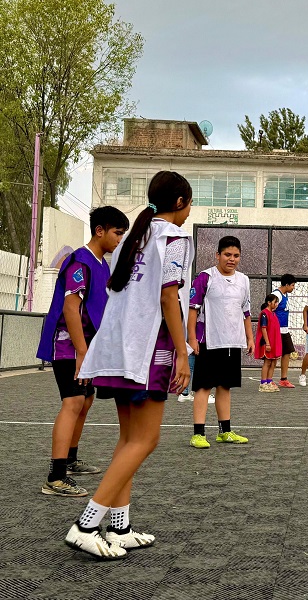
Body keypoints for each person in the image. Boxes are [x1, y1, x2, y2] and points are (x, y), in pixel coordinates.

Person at [68, 170, 194, 559]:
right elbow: (168, 297)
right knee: (146, 439)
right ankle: (86, 524)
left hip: (118, 345)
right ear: (179, 203)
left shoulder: (132, 239)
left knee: (128, 439)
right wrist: (183, 351)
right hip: (147, 346)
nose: (190, 211)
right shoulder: (174, 237)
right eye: (189, 203)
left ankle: (119, 526)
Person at [38, 206, 129, 497]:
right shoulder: (79, 261)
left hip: (86, 346)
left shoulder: (102, 264)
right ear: (99, 230)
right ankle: (56, 476)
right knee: (73, 401)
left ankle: (71, 459)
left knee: (87, 399)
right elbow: (70, 308)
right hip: (68, 344)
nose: (119, 239)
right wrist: (81, 351)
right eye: (117, 233)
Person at [187, 236, 254, 448]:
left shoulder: (244, 280)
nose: (231, 259)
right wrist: (191, 338)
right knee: (203, 387)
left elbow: (246, 312)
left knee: (225, 386)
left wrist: (250, 338)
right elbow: (192, 309)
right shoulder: (205, 277)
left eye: (236, 256)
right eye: (227, 255)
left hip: (231, 342)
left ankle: (225, 431)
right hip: (209, 340)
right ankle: (198, 433)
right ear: (217, 255)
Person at [255, 294, 281, 392]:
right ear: (269, 303)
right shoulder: (264, 314)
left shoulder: (273, 314)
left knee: (273, 362)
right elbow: (264, 329)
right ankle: (263, 383)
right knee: (267, 362)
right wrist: (268, 343)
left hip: (274, 342)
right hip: (267, 342)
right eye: (275, 302)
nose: (277, 304)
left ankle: (269, 382)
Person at [275, 274, 297, 388]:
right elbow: (268, 310)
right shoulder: (276, 295)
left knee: (287, 352)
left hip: (284, 329)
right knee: (273, 356)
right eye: (292, 285)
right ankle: (267, 380)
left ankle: (283, 379)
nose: (293, 287)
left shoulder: (285, 294)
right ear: (287, 284)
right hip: (276, 330)